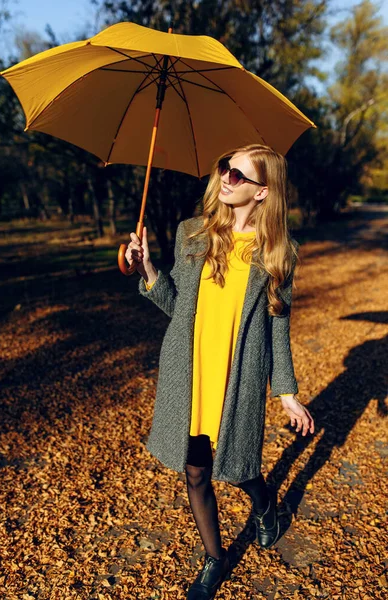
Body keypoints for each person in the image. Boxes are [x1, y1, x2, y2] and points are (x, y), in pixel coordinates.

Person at [126, 143, 315, 600]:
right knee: (196, 472)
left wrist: (287, 392)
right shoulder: (192, 233)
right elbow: (178, 308)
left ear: (263, 193)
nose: (227, 179)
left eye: (239, 176)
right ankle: (216, 557)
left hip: (238, 377)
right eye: (226, 170)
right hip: (189, 375)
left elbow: (278, 327)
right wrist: (149, 269)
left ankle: (264, 500)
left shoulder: (278, 254)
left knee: (236, 464)